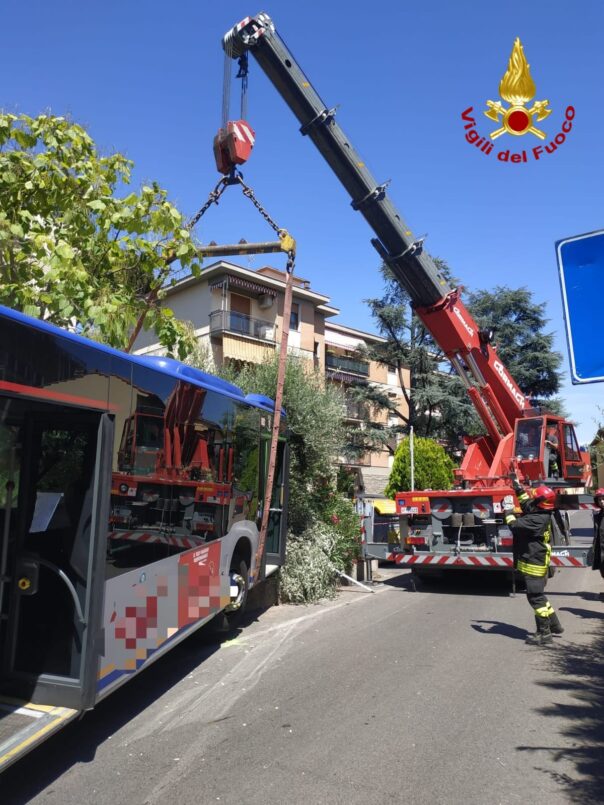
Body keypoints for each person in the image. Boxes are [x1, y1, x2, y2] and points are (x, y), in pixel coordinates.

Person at [502, 482, 564, 646]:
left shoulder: (537, 519)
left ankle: (544, 634)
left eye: (534, 498)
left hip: (534, 563)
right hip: (536, 560)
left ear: (539, 502)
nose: (531, 500)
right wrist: (518, 489)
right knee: (539, 596)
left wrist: (508, 510)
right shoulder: (542, 511)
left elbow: (514, 525)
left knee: (535, 598)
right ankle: (555, 625)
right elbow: (527, 504)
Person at [591, 488, 604, 579]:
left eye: (603, 499)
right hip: (601, 551)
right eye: (599, 500)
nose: (602, 501)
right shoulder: (599, 515)